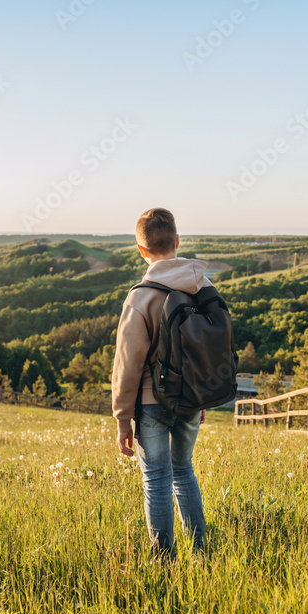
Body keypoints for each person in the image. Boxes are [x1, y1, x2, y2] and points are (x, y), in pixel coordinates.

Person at [111, 207, 211, 556]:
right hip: (192, 396)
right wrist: (201, 396)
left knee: (156, 479)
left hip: (152, 402)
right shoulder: (204, 286)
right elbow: (208, 349)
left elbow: (127, 364)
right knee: (184, 470)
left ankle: (163, 561)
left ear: (141, 250)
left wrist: (123, 418)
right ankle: (201, 552)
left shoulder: (141, 297)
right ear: (178, 242)